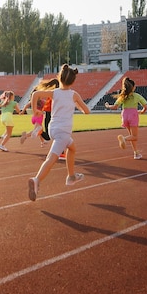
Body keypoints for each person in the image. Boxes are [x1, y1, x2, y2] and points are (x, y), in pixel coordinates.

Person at [27, 65, 90, 201]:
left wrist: (34, 110)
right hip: (63, 132)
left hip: (53, 129)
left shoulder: (55, 92)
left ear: (59, 78)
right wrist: (77, 104)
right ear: (73, 81)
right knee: (51, 159)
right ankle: (36, 180)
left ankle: (71, 176)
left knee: (72, 148)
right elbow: (87, 111)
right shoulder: (74, 95)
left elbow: (35, 94)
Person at [105, 76, 147, 160]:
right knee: (134, 136)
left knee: (131, 136)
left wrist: (107, 106)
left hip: (124, 115)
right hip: (133, 115)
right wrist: (142, 111)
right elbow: (145, 106)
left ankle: (136, 153)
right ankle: (123, 138)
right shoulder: (137, 96)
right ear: (133, 87)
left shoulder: (122, 96)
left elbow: (115, 107)